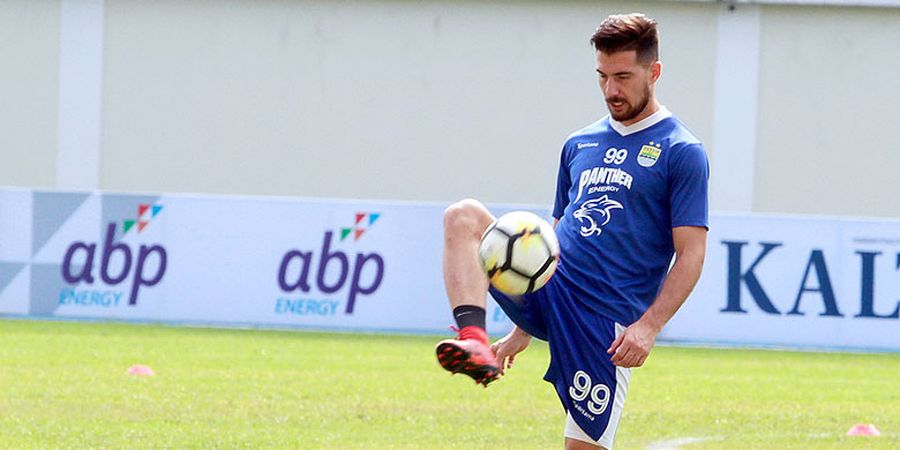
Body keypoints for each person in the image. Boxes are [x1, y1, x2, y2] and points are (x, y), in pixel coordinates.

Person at [434, 13, 709, 450]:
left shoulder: (682, 151)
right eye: (602, 77)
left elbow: (691, 254)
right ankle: (474, 342)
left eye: (623, 76)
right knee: (463, 217)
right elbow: (553, 237)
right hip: (551, 286)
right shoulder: (579, 143)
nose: (611, 90)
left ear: (654, 72)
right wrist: (522, 330)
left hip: (602, 322)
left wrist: (648, 327)